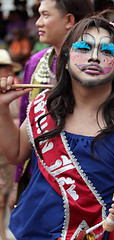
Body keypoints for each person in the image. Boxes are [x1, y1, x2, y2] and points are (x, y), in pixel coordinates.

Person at [0, 14, 114, 240]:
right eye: (83, 48)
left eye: (107, 51)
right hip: (26, 233)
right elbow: (15, 153)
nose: (94, 57)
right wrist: (3, 109)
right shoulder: (44, 105)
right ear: (66, 56)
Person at [8, 0, 94, 212]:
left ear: (69, 20)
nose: (38, 22)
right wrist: (19, 182)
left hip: (88, 182)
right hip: (40, 180)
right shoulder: (35, 63)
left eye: (45, 15)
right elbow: (24, 128)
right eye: (39, 15)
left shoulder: (101, 63)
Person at [0, 49, 20, 240]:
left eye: (5, 67)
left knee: (9, 196)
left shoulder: (17, 89)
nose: (3, 72)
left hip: (10, 151)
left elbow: (22, 118)